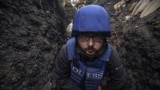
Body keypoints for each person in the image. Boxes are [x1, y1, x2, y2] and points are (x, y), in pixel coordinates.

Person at [53, 5, 126, 90]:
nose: (90, 44)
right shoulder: (67, 51)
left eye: (97, 38)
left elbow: (119, 80)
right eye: (84, 37)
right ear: (77, 37)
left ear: (104, 39)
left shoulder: (110, 54)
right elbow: (60, 77)